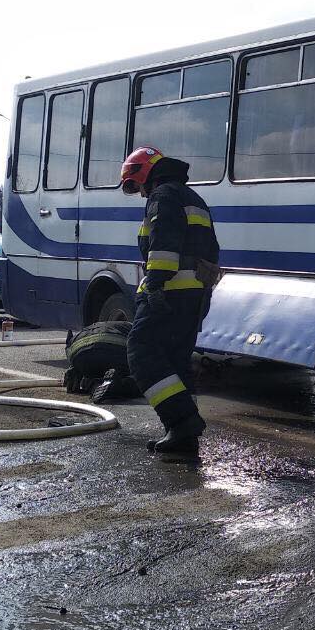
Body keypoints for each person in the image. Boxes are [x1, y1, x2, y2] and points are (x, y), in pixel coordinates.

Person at [120, 146, 220, 460]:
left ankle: (183, 421)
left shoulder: (163, 197)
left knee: (142, 353)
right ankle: (183, 440)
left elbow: (163, 247)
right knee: (176, 361)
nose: (139, 194)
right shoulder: (194, 199)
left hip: (169, 291)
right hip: (194, 294)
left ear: (143, 174)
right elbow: (211, 251)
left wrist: (155, 286)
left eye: (136, 186)